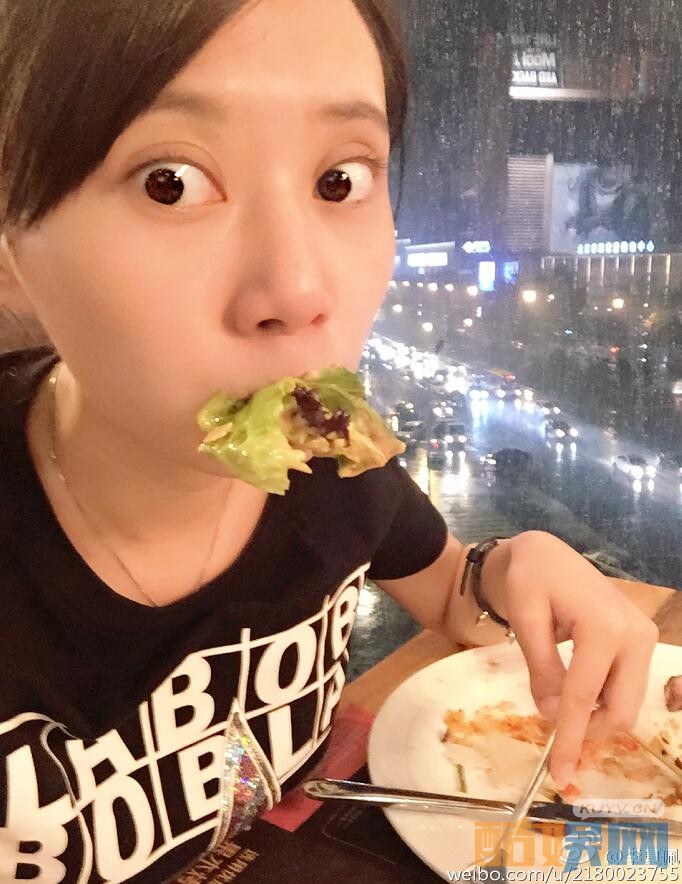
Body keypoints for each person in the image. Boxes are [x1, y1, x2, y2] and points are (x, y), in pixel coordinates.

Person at [0, 0, 658, 880]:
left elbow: (455, 594)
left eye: (340, 181)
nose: (299, 291)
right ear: (11, 241)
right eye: (171, 182)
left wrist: (513, 568)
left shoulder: (325, 460)